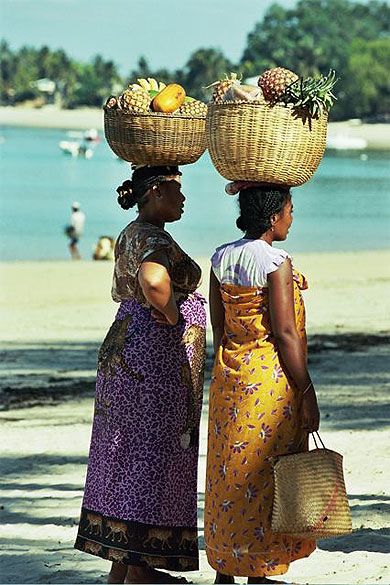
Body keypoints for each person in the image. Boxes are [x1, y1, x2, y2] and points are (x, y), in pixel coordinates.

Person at [74, 165, 206, 585]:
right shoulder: (153, 238)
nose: (183, 198)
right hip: (151, 356)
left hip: (127, 350)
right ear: (153, 191)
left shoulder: (132, 231)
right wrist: (172, 313)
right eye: (175, 190)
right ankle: (140, 571)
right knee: (151, 453)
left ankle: (123, 566)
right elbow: (153, 280)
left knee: (126, 453)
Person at [204, 182, 320, 584]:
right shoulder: (276, 262)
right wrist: (305, 390)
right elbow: (285, 333)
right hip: (270, 383)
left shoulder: (220, 257)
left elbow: (219, 326)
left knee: (228, 472)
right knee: (265, 474)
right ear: (273, 217)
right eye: (290, 209)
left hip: (230, 376)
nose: (293, 216)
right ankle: (260, 572)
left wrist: (230, 366)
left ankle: (226, 567)